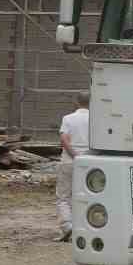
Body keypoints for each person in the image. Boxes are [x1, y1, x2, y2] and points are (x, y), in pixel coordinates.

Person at [56, 91, 90, 242]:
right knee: (84, 196)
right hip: (90, 162)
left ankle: (67, 226)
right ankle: (84, 228)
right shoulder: (96, 120)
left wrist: (75, 155)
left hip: (69, 161)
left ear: (76, 102)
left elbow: (64, 139)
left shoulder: (68, 118)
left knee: (64, 197)